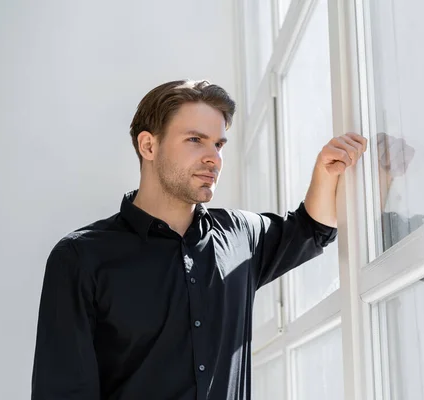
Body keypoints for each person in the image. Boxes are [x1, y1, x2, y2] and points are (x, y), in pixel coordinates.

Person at [31, 79, 367, 400]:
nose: (214, 158)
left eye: (218, 144)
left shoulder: (240, 236)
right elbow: (63, 392)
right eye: (195, 140)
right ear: (148, 145)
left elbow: (311, 229)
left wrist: (328, 170)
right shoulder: (81, 257)